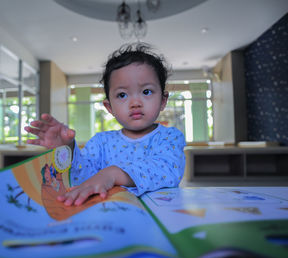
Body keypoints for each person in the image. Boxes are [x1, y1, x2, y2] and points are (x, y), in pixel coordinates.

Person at [25, 43, 186, 206]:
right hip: (111, 215)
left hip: (160, 215)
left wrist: (113, 174)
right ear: (110, 107)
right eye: (122, 94)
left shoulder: (170, 137)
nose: (135, 102)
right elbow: (83, 178)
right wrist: (68, 148)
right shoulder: (101, 142)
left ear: (163, 100)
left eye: (146, 91)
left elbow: (166, 170)